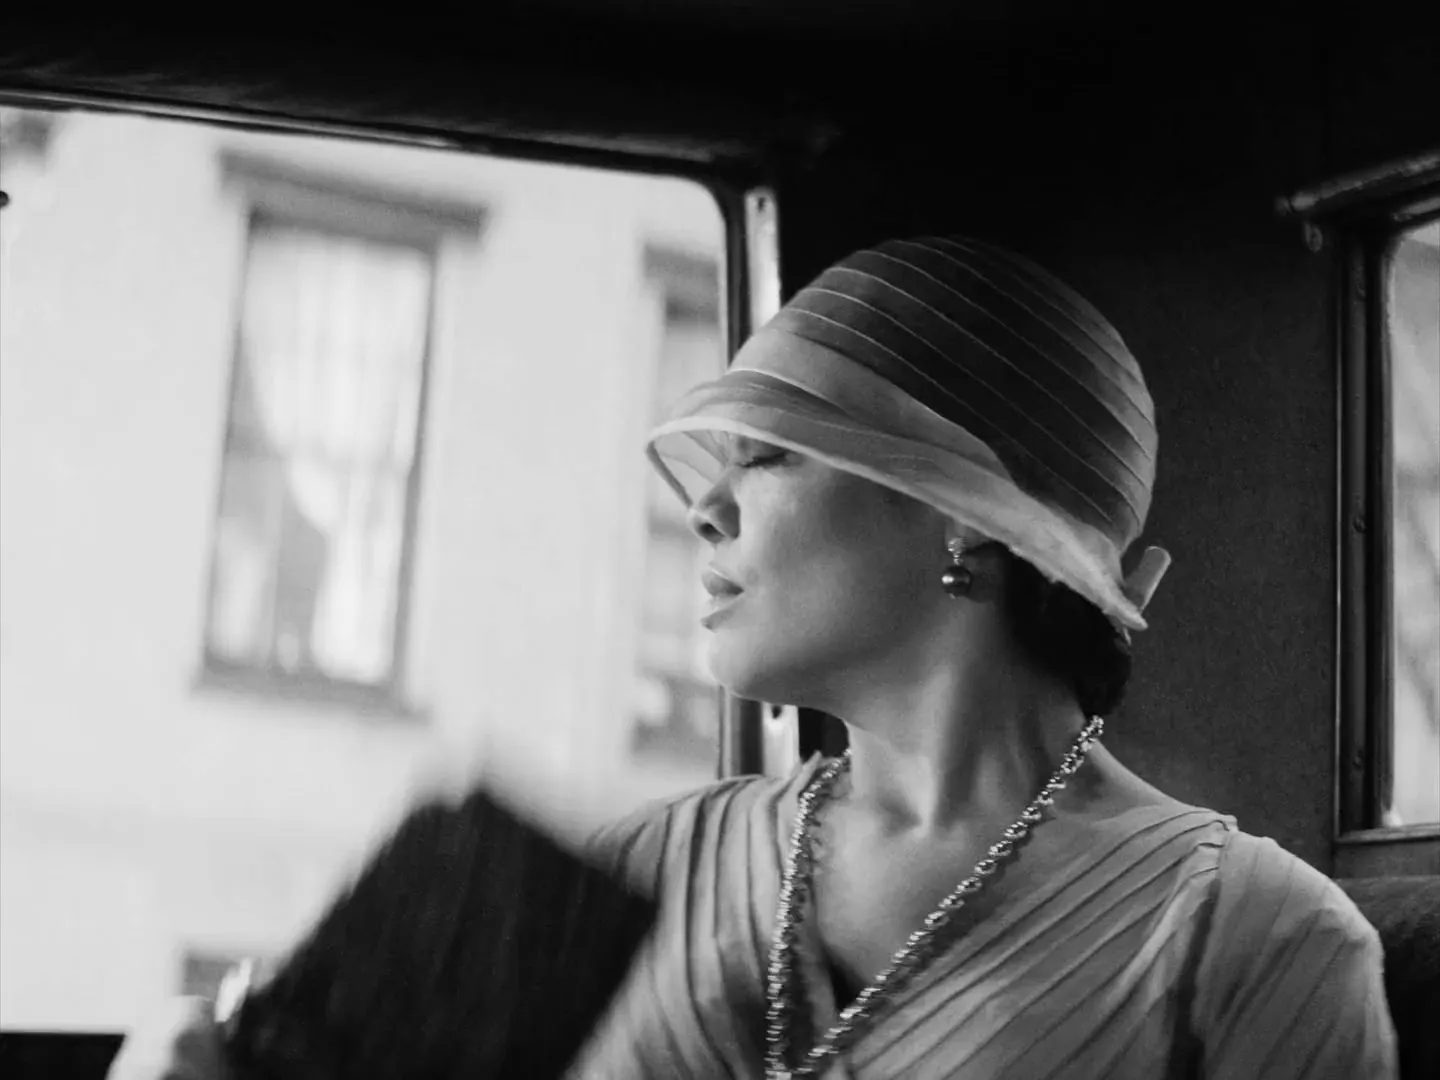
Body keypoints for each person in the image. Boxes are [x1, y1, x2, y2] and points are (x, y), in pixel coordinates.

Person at [109, 236, 1397, 1080]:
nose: (705, 511)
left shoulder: (1256, 938)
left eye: (769, 456)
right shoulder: (611, 880)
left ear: (962, 516)